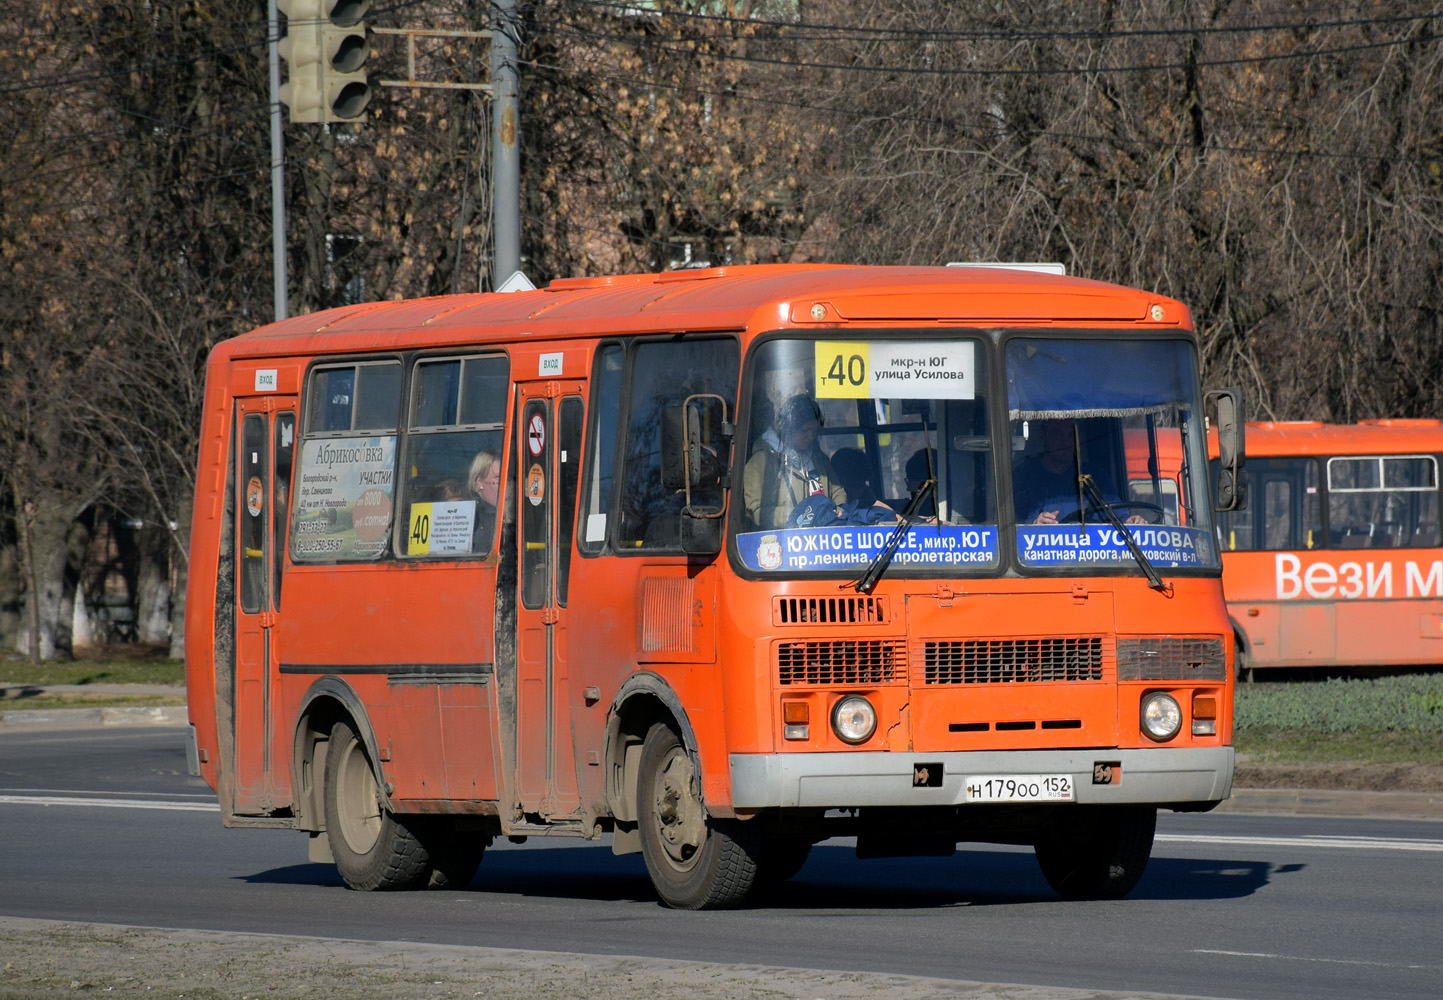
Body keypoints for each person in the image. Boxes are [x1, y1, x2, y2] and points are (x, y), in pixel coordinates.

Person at [743, 394, 847, 528]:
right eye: (805, 430)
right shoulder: (763, 459)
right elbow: (756, 510)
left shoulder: (817, 456)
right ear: (789, 427)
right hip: (784, 540)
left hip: (823, 538)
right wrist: (800, 516)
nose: (810, 437)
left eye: (814, 431)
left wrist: (838, 511)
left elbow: (837, 490)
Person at [1013, 419, 1145, 525]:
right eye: (1057, 433)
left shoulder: (1096, 477)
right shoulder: (1022, 477)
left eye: (1071, 434)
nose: (1065, 440)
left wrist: (1131, 521)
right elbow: (1009, 527)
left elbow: (1119, 516)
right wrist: (1034, 525)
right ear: (1043, 437)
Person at [468, 449, 501, 552]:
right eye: (498, 477)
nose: (505, 483)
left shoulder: (517, 512)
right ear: (479, 482)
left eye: (507, 477)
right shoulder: (471, 516)